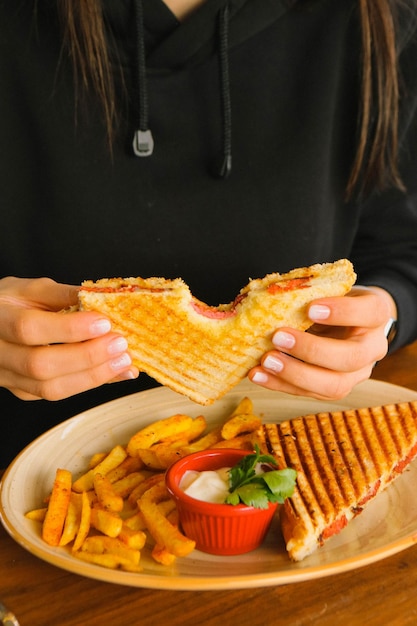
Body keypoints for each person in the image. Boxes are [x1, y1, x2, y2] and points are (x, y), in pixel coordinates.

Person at [1, 0, 417, 468]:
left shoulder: (373, 15)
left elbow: (401, 244)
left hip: (298, 454)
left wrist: (384, 313)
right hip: (32, 473)